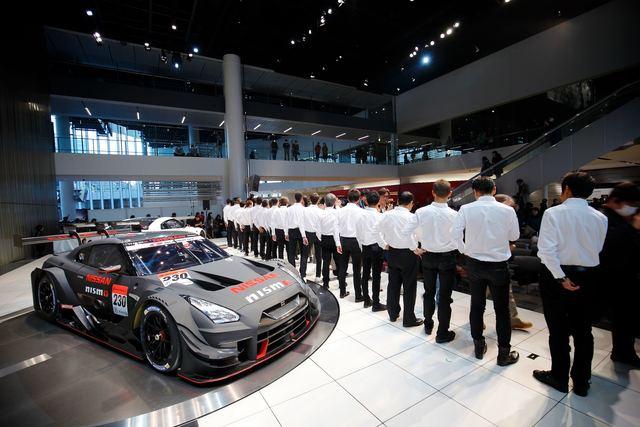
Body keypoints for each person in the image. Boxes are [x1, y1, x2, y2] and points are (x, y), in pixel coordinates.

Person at [533, 172, 607, 396]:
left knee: (558, 330)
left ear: (566, 189)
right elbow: (598, 248)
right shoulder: (600, 217)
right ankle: (582, 382)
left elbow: (546, 251)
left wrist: (561, 278)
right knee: (584, 331)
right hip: (589, 276)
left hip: (557, 276)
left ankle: (559, 377)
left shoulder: (553, 213)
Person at [452, 176, 520, 366]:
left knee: (477, 305)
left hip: (474, 264)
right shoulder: (507, 210)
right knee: (502, 310)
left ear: (475, 192)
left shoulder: (466, 209)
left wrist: (465, 250)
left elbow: (455, 235)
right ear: (494, 190)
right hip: (498, 265)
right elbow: (515, 235)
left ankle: (478, 346)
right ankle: (503, 354)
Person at [599, 182, 640, 367]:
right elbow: (608, 247)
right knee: (623, 319)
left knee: (625, 321)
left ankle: (624, 352)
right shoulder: (603, 218)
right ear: (615, 200)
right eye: (631, 204)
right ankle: (623, 353)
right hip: (612, 278)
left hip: (624, 277)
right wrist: (633, 228)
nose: (632, 209)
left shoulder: (623, 219)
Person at [415, 180, 457, 342]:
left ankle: (428, 324)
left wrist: (416, 247)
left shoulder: (421, 212)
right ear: (450, 193)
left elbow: (410, 232)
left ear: (433, 192)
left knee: (429, 293)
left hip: (428, 255)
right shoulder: (454, 214)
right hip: (447, 257)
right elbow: (458, 237)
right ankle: (442, 332)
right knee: (444, 297)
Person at [378, 191, 424, 327]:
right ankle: (409, 318)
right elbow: (419, 235)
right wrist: (415, 248)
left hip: (392, 252)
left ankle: (393, 313)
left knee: (393, 284)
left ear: (398, 201)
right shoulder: (412, 217)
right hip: (409, 254)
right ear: (411, 203)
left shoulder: (386, 215)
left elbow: (376, 231)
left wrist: (383, 244)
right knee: (409, 286)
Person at [494, 194, 534, 330]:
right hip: (487, 261)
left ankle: (513, 318)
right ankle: (477, 321)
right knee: (480, 295)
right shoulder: (489, 218)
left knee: (506, 291)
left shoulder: (505, 217)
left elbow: (512, 237)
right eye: (510, 206)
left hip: (500, 260)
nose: (512, 209)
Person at [358, 191, 386, 311]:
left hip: (365, 246)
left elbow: (358, 233)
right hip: (377, 247)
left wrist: (362, 246)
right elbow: (382, 234)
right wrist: (384, 246)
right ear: (378, 201)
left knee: (365, 273)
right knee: (376, 275)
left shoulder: (360, 215)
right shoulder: (380, 216)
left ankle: (366, 300)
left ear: (366, 201)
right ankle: (376, 304)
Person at [335, 189, 365, 299]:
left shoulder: (340, 211)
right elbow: (362, 229)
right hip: (356, 241)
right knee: (357, 269)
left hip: (343, 240)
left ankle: (342, 291)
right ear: (358, 199)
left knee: (342, 267)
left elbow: (335, 227)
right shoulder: (361, 211)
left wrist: (337, 243)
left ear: (347, 198)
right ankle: (358, 295)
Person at [318, 193, 341, 290]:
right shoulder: (337, 212)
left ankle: (325, 283)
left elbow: (318, 228)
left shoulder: (321, 213)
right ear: (334, 202)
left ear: (325, 202)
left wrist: (320, 238)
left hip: (324, 238)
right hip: (336, 239)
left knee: (326, 262)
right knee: (338, 261)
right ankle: (341, 282)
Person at [285, 193, 308, 272]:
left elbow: (286, 222)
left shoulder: (289, 209)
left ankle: (293, 270)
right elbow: (304, 222)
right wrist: (304, 235)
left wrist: (286, 233)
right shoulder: (304, 209)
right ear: (301, 199)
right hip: (302, 231)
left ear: (295, 199)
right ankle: (302, 271)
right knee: (303, 252)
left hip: (291, 231)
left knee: (291, 252)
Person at [302, 193, 323, 281]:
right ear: (318, 200)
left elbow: (301, 223)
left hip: (308, 234)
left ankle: (303, 275)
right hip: (318, 234)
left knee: (304, 255)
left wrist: (303, 236)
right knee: (319, 255)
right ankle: (318, 276)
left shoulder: (305, 210)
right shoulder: (321, 211)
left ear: (310, 200)